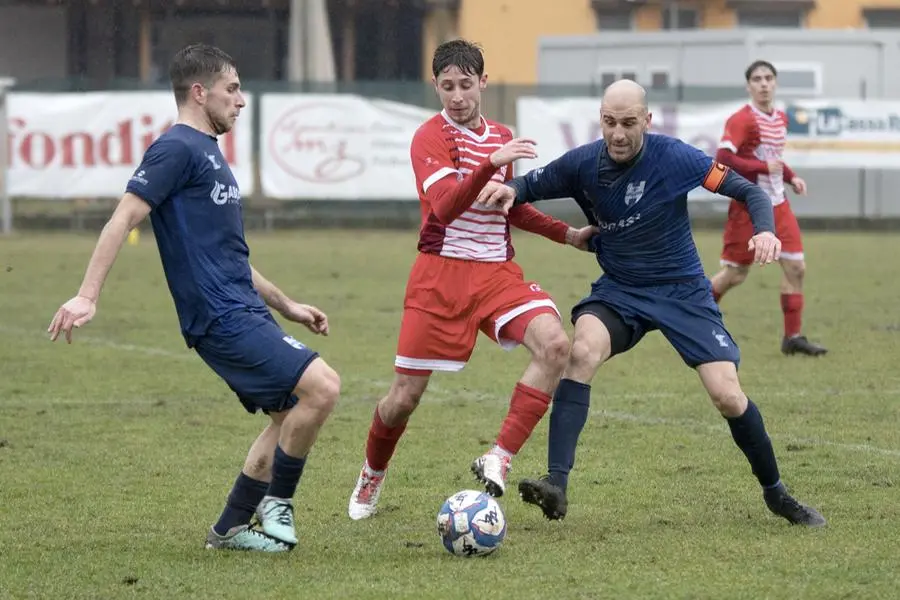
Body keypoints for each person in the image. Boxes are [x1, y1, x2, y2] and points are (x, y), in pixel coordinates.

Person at [478, 79, 826, 528]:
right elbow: (531, 183)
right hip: (621, 290)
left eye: (627, 123)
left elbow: (750, 191)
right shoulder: (584, 163)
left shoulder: (677, 157)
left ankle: (777, 494)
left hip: (683, 290)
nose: (617, 134)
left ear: (647, 120)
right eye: (609, 123)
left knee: (727, 394)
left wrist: (764, 229)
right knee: (581, 353)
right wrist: (512, 191)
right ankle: (556, 484)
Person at [47, 43, 341, 552]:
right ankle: (278, 505)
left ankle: (228, 530)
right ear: (199, 92)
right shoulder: (176, 148)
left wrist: (287, 305)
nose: (241, 100)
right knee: (323, 387)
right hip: (218, 315)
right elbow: (123, 218)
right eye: (232, 89)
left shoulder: (210, 155)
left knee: (288, 413)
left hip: (243, 307)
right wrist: (86, 295)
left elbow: (231, 258)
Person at [346, 39, 597, 521]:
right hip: (440, 279)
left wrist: (568, 234)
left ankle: (498, 457)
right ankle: (371, 475)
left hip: (498, 274)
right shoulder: (429, 137)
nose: (457, 96)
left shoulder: (500, 134)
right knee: (403, 400)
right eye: (447, 86)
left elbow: (510, 206)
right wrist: (490, 161)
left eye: (466, 84)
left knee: (555, 346)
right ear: (435, 86)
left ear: (483, 82)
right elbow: (445, 206)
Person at [709, 60, 827, 357]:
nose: (763, 83)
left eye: (768, 78)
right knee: (735, 275)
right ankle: (694, 318)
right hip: (748, 205)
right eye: (757, 79)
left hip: (778, 204)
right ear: (749, 86)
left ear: (775, 83)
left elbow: (774, 158)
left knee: (796, 267)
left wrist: (791, 177)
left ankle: (793, 338)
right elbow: (723, 157)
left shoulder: (780, 118)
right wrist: (763, 167)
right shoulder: (742, 119)